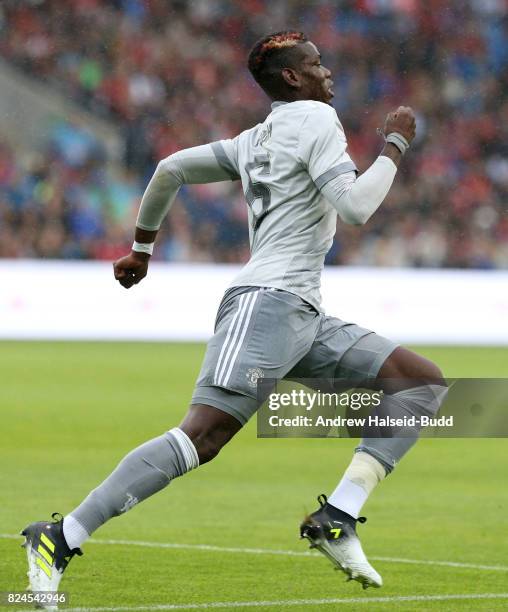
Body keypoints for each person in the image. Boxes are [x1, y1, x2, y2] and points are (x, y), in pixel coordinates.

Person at [22, 31, 446, 603]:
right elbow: (358, 207)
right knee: (204, 434)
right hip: (267, 301)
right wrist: (395, 141)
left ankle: (339, 515)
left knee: (418, 382)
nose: (328, 72)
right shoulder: (318, 121)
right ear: (293, 78)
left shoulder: (253, 140)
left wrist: (142, 248)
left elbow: (171, 168)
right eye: (317, 64)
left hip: (302, 312)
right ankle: (59, 537)